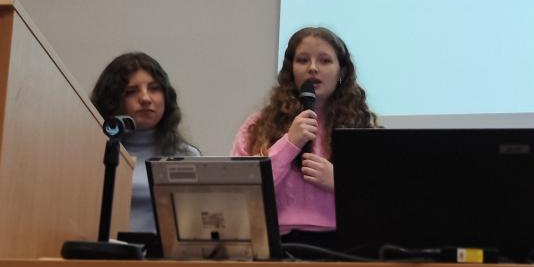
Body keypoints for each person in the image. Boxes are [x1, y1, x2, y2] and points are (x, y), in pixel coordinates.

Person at [230, 26, 378, 242]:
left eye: (325, 61)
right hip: (276, 242)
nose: (313, 68)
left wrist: (340, 182)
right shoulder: (257, 126)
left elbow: (380, 200)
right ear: (291, 70)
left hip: (344, 244)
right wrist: (289, 143)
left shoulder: (361, 127)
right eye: (303, 60)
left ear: (342, 72)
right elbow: (240, 192)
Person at [90, 51, 198, 235]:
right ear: (111, 100)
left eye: (154, 89)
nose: (146, 99)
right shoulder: (91, 152)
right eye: (131, 92)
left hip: (163, 253)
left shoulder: (186, 156)